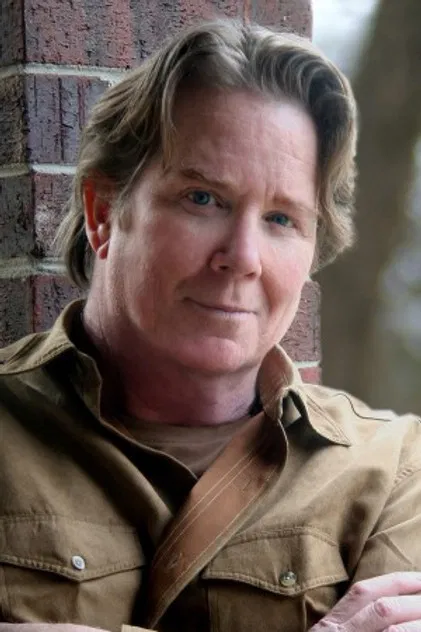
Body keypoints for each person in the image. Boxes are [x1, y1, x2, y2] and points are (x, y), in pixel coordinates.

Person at [1, 17, 421, 632]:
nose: (243, 257)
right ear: (103, 213)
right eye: (203, 199)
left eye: (281, 219)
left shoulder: (395, 473)